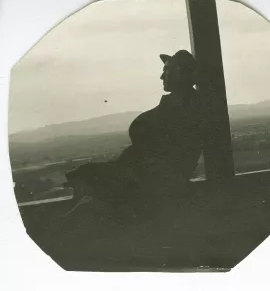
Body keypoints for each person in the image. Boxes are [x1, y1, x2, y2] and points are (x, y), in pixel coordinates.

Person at [65, 50, 203, 214]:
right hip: (141, 174)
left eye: (166, 70)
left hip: (150, 180)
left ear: (180, 72)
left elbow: (169, 153)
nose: (161, 76)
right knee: (86, 176)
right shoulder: (177, 104)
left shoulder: (184, 107)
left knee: (87, 184)